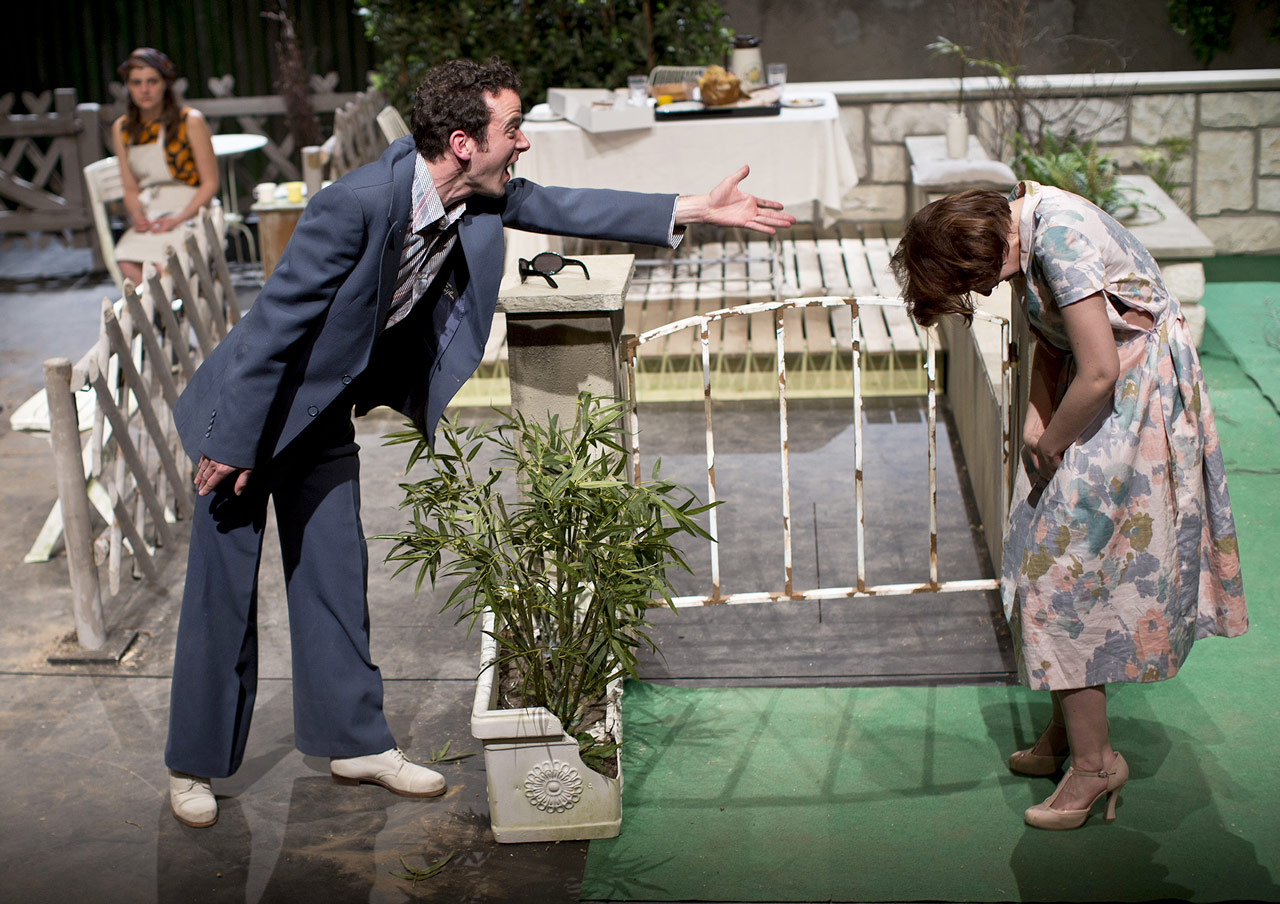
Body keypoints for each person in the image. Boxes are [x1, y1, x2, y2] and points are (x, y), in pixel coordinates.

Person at [164, 57, 796, 828]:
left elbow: (568, 202)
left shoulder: (476, 199)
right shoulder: (355, 204)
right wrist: (233, 441)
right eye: (513, 128)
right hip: (245, 416)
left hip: (321, 412)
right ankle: (193, 765)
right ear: (463, 142)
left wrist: (696, 206)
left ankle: (352, 741)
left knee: (333, 576)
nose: (523, 142)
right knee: (222, 593)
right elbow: (272, 329)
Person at [890, 182, 1247, 831]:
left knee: (1064, 584)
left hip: (1137, 410)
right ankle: (1069, 733)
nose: (982, 293)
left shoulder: (1059, 233)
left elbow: (1101, 370)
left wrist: (1050, 444)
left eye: (971, 283)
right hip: (1102, 403)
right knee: (1045, 565)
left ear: (982, 251)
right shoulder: (1024, 230)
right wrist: (1035, 413)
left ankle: (1096, 765)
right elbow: (1055, 341)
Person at [111, 47, 219, 288]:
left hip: (192, 209)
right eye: (136, 82)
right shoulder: (123, 129)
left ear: (164, 84)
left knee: (161, 267)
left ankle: (167, 320)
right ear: (128, 87)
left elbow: (210, 184)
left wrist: (178, 218)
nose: (144, 89)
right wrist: (138, 217)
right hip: (153, 212)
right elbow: (129, 189)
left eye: (152, 81)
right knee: (127, 263)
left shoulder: (189, 121)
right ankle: (160, 322)